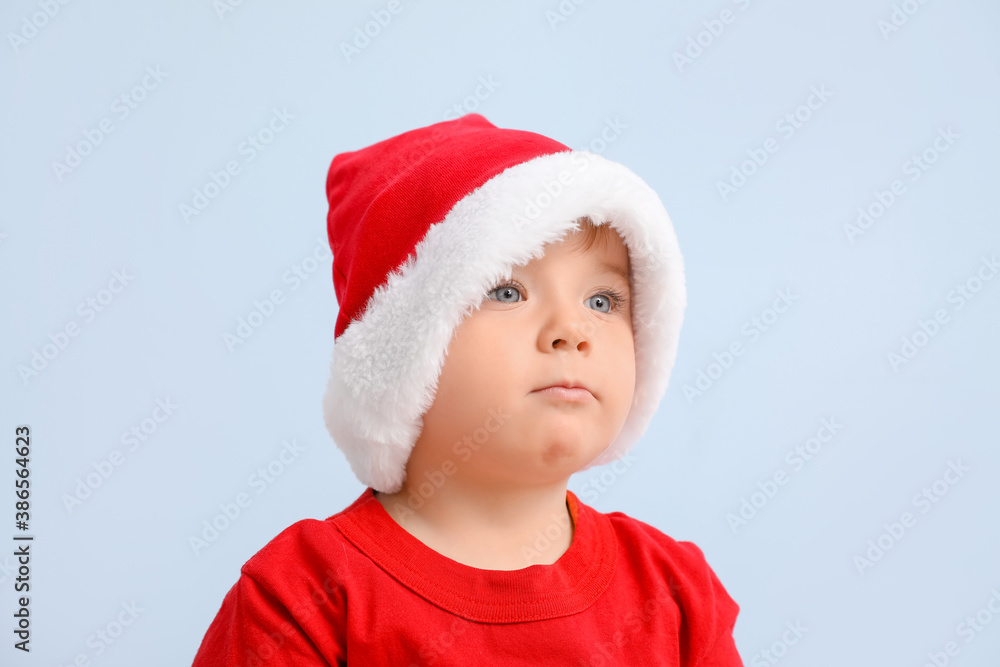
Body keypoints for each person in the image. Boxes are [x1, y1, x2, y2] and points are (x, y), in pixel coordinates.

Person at [191, 113, 743, 665]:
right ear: (405, 354)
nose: (572, 331)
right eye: (506, 291)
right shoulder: (305, 597)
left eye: (602, 301)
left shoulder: (675, 594)